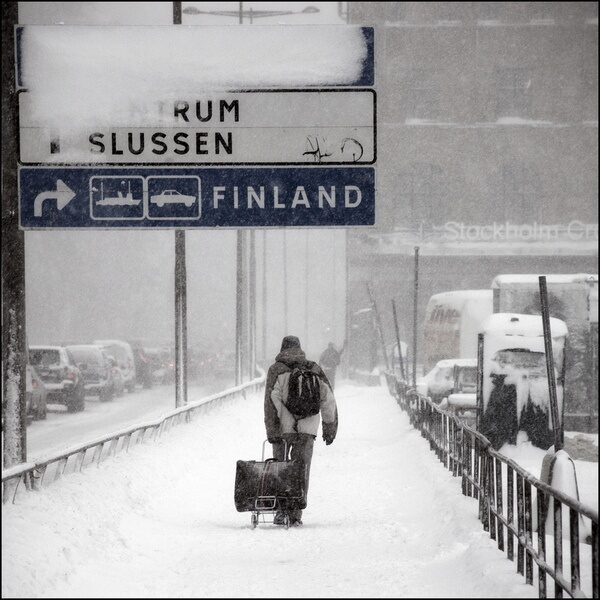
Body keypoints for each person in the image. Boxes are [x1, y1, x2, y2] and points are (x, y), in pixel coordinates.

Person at [264, 335, 338, 527]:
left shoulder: (276, 370)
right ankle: (296, 512)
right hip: (307, 429)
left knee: (280, 467)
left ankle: (281, 511)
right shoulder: (313, 368)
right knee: (301, 469)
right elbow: (328, 399)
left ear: (282, 348)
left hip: (283, 429)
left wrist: (272, 430)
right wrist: (330, 427)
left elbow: (270, 402)